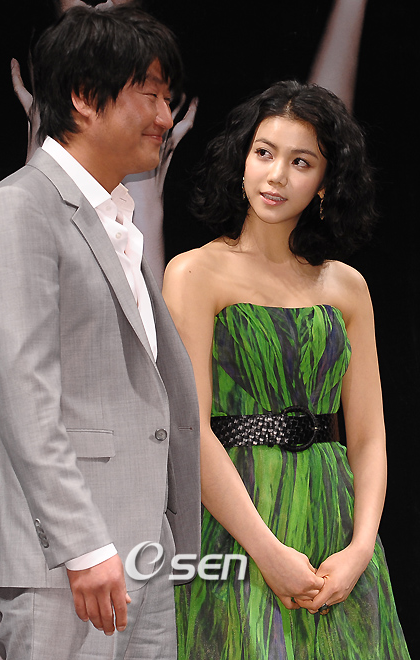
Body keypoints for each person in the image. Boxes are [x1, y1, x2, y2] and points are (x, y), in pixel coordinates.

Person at [0, 5, 200, 660]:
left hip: (144, 550)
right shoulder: (19, 209)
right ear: (85, 99)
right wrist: (83, 546)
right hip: (69, 560)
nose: (165, 117)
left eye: (169, 100)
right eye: (150, 95)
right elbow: (24, 397)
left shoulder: (114, 218)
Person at [163, 80, 411, 659]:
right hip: (234, 525)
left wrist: (360, 550)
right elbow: (189, 430)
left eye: (301, 162)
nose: (276, 176)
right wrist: (266, 552)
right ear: (242, 159)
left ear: (326, 181)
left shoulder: (347, 286)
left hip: (336, 532)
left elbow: (368, 438)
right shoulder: (195, 273)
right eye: (264, 153)